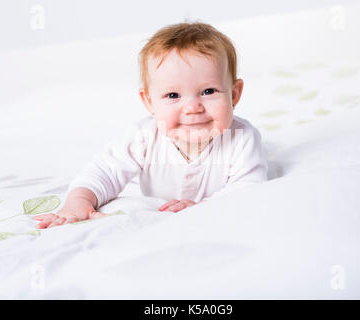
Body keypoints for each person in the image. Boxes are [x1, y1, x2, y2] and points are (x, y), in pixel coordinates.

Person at [34, 21, 268, 229]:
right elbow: (105, 171)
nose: (192, 107)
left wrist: (203, 206)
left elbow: (248, 189)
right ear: (149, 102)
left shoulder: (242, 138)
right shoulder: (144, 136)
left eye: (208, 91)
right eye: (173, 95)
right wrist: (79, 201)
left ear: (234, 94)